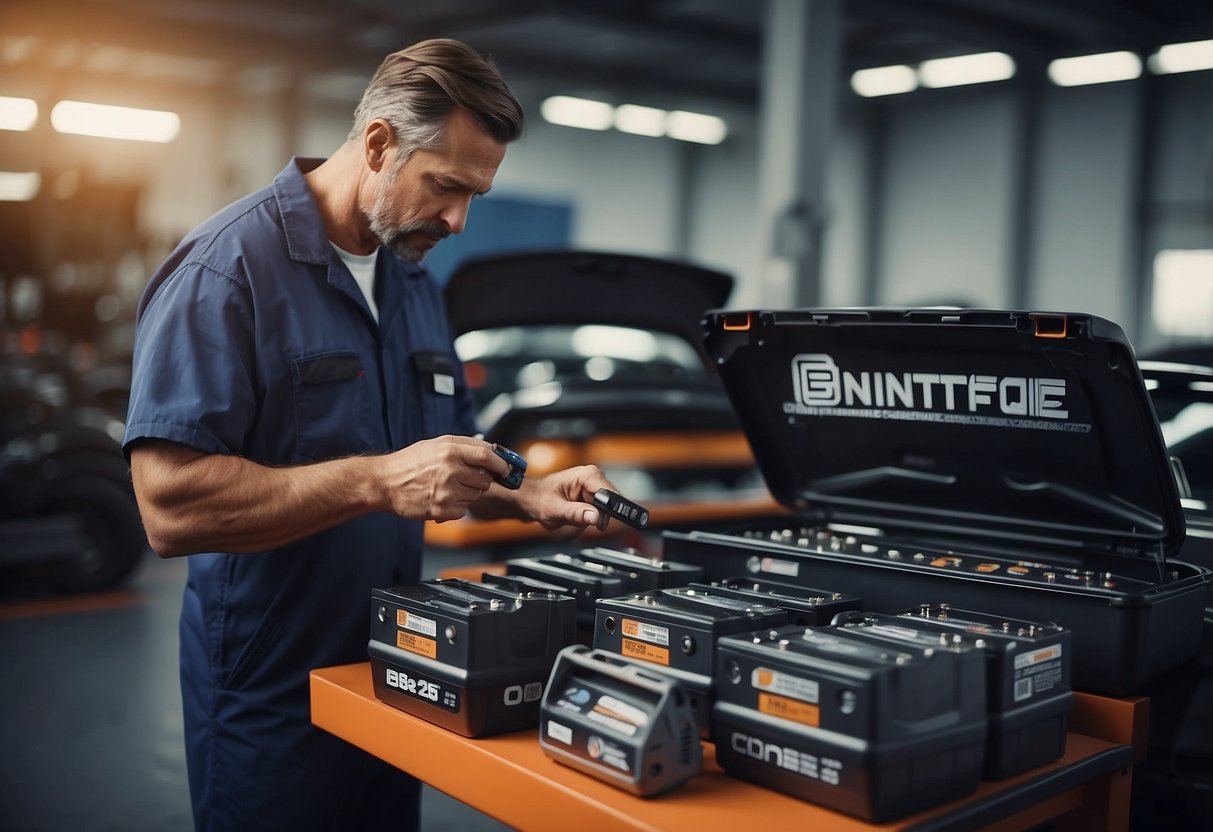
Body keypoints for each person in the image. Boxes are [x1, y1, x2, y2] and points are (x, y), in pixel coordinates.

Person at [124, 38, 617, 831]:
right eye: (447, 186)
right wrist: (376, 480)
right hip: (272, 695)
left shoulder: (414, 279)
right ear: (380, 142)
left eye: (475, 196)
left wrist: (528, 495)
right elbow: (169, 508)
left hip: (403, 674)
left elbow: (441, 463)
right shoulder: (226, 272)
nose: (458, 219)